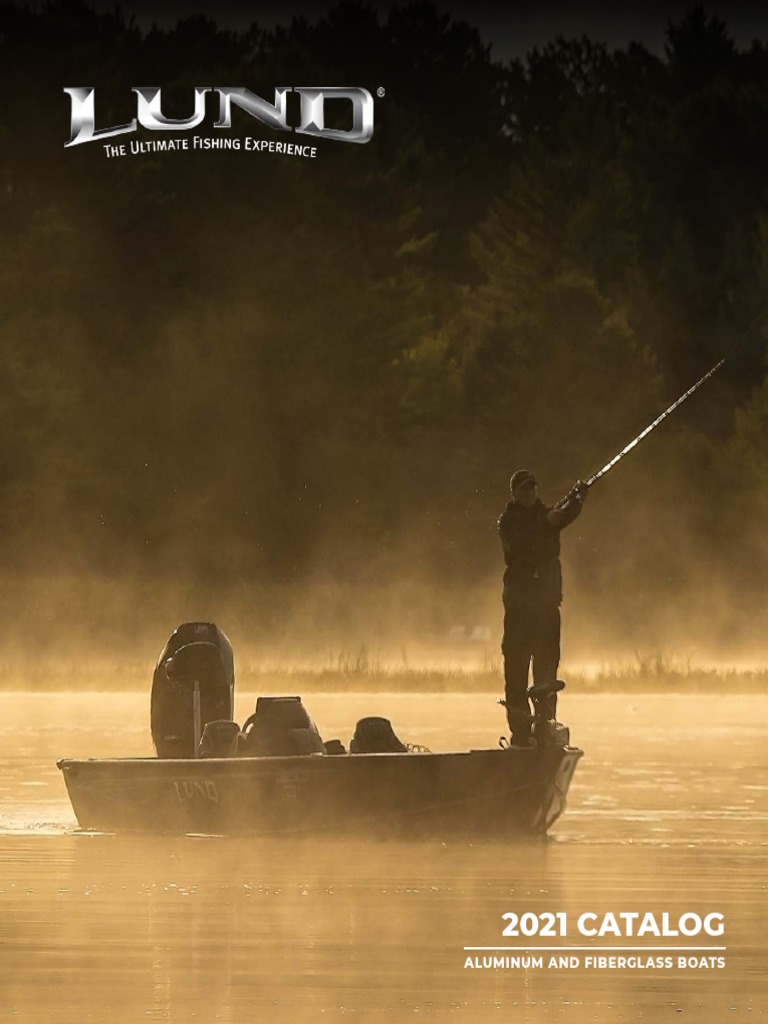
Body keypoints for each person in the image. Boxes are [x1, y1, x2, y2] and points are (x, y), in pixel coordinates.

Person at [497, 469, 588, 744]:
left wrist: (578, 497)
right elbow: (521, 543)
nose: (528, 493)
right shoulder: (508, 522)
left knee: (547, 672)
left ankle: (545, 728)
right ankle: (521, 733)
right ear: (514, 493)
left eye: (532, 488)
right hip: (519, 610)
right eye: (523, 489)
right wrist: (545, 522)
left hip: (547, 609)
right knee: (516, 671)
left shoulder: (548, 516)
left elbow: (564, 516)